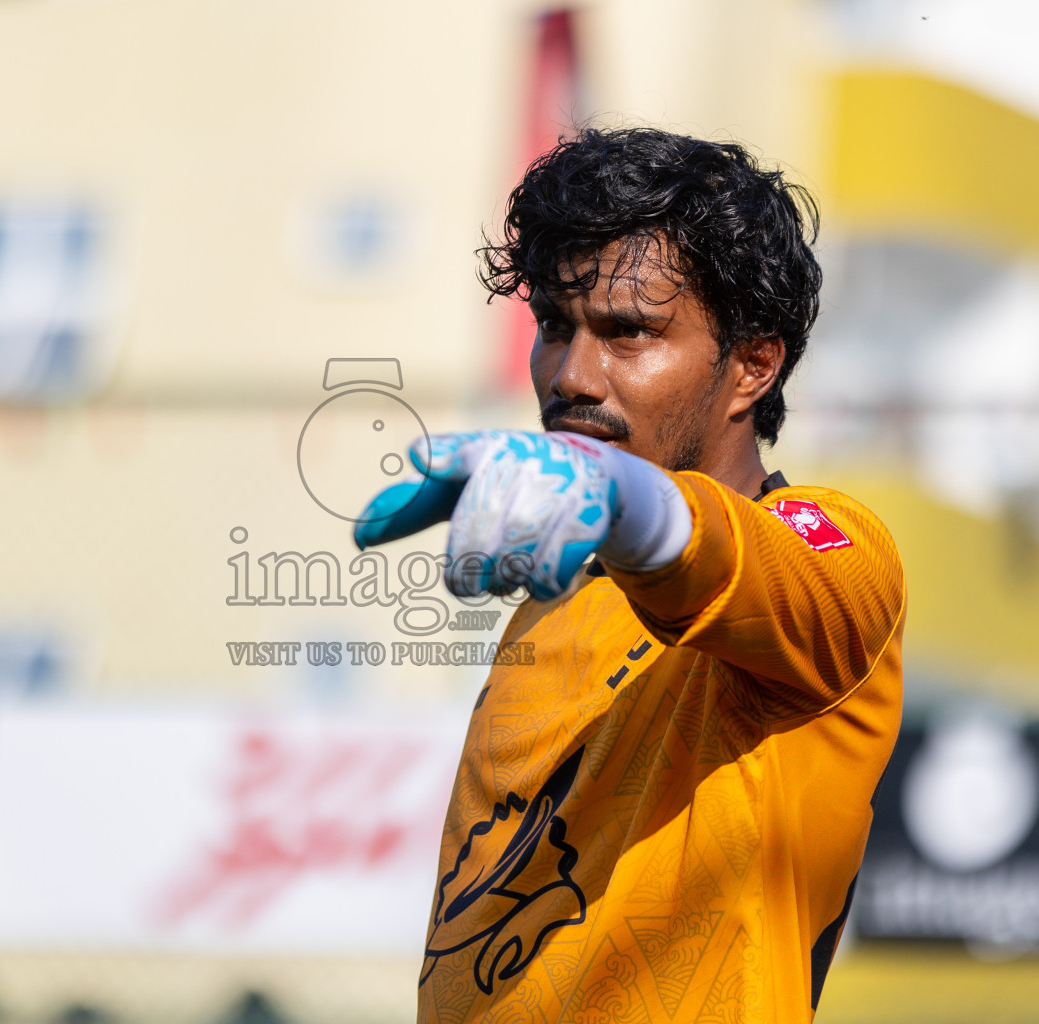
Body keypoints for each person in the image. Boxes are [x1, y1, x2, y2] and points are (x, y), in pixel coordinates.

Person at [354, 127, 905, 1024]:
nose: (573, 374)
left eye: (629, 332)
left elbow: (752, 565)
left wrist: (629, 502)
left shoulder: (830, 548)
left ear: (752, 365)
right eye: (553, 327)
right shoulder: (557, 592)